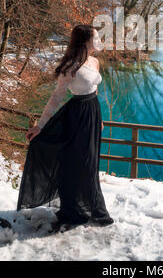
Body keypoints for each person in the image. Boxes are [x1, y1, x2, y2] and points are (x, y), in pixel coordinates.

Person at [16, 24, 114, 233]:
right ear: (85, 41)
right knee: (75, 163)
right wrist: (40, 125)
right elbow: (56, 98)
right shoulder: (71, 67)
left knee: (90, 163)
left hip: (92, 115)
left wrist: (99, 119)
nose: (99, 42)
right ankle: (73, 210)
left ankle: (88, 207)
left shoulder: (95, 61)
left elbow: (94, 92)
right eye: (95, 38)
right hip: (75, 117)